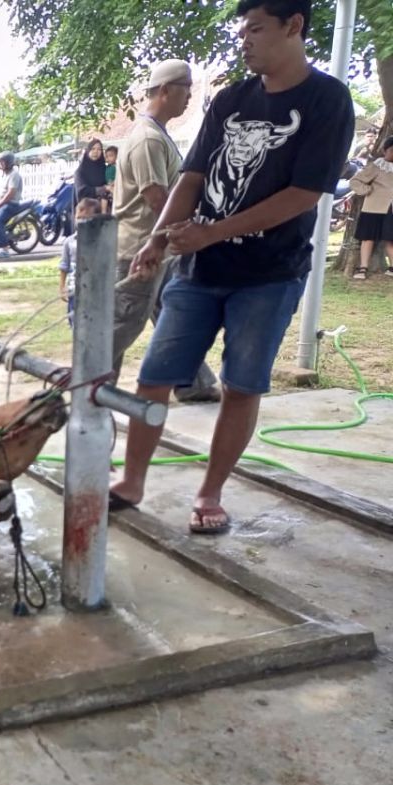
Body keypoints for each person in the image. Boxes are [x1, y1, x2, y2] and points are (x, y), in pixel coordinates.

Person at [110, 0, 354, 536]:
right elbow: (192, 178)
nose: (245, 40)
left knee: (242, 385)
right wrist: (157, 240)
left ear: (294, 27)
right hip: (199, 269)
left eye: (256, 29)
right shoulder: (231, 100)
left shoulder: (327, 100)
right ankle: (131, 481)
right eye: (241, 30)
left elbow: (306, 193)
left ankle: (210, 491)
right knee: (154, 378)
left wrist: (213, 230)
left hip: (270, 272)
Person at [112, 58, 220, 403]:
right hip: (141, 249)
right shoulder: (147, 140)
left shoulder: (156, 134)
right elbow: (157, 198)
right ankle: (89, 391)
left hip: (159, 248)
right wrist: (187, 230)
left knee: (176, 316)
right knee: (119, 327)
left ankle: (193, 382)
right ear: (164, 91)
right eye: (184, 90)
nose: (188, 97)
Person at [348, 135, 393, 279]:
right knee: (368, 238)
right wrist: (367, 190)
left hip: (391, 210)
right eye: (392, 150)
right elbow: (355, 181)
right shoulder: (376, 166)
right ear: (385, 150)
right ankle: (363, 268)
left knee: (390, 239)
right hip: (373, 208)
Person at [58, 199, 103, 324]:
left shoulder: (101, 241)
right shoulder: (69, 242)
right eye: (78, 218)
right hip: (74, 291)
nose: (80, 222)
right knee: (75, 322)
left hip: (95, 292)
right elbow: (64, 266)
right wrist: (62, 287)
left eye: (85, 219)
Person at [0, 151, 26, 259]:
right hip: (1, 204)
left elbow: (10, 193)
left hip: (10, 204)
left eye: (2, 162)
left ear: (8, 163)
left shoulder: (14, 175)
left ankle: (4, 250)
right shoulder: (4, 175)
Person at [75, 139, 112, 213]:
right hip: (87, 212)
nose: (96, 151)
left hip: (105, 212)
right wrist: (103, 189)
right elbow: (81, 192)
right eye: (93, 149)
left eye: (99, 149)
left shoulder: (105, 169)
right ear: (88, 151)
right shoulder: (81, 171)